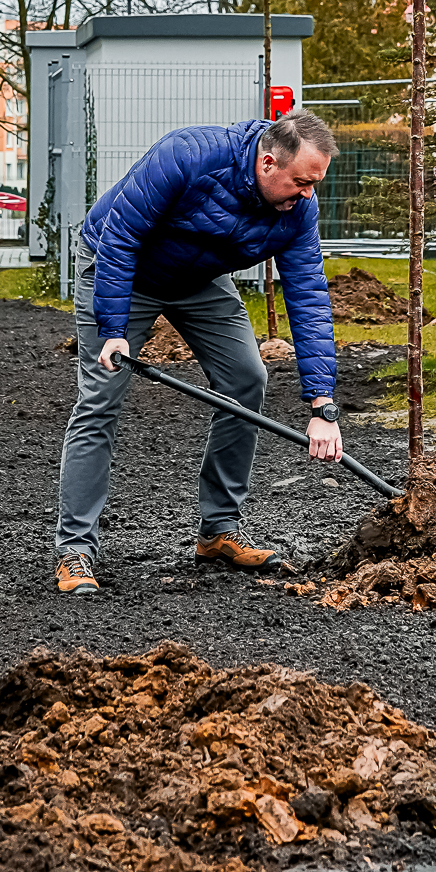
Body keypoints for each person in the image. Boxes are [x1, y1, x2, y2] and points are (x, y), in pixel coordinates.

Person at [53, 110, 347, 595]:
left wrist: (323, 404)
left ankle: (218, 531)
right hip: (119, 265)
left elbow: (308, 295)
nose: (308, 194)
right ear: (267, 163)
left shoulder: (298, 211)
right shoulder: (188, 155)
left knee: (247, 380)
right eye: (301, 182)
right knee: (101, 397)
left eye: (315, 184)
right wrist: (112, 329)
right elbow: (121, 237)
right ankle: (75, 549)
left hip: (197, 280)